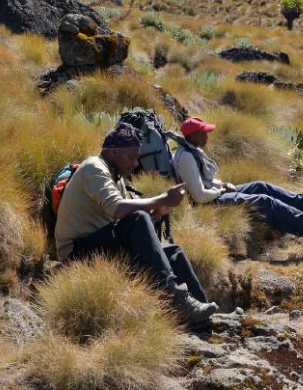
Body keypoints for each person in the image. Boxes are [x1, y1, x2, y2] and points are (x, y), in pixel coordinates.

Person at [55, 122, 219, 324]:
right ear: (113, 152)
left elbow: (125, 219)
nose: (134, 164)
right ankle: (176, 298)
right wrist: (162, 199)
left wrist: (156, 212)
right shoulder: (93, 168)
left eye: (136, 158)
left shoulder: (117, 177)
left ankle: (203, 313)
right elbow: (118, 210)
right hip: (75, 253)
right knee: (138, 218)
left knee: (174, 252)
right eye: (131, 157)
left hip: (99, 242)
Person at [172, 117, 303, 238]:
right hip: (207, 203)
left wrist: (222, 184)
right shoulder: (186, 157)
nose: (207, 135)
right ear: (193, 136)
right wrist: (220, 190)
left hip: (212, 194)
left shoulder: (192, 150)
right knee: (264, 201)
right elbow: (199, 196)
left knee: (260, 186)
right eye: (204, 132)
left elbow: (203, 180)